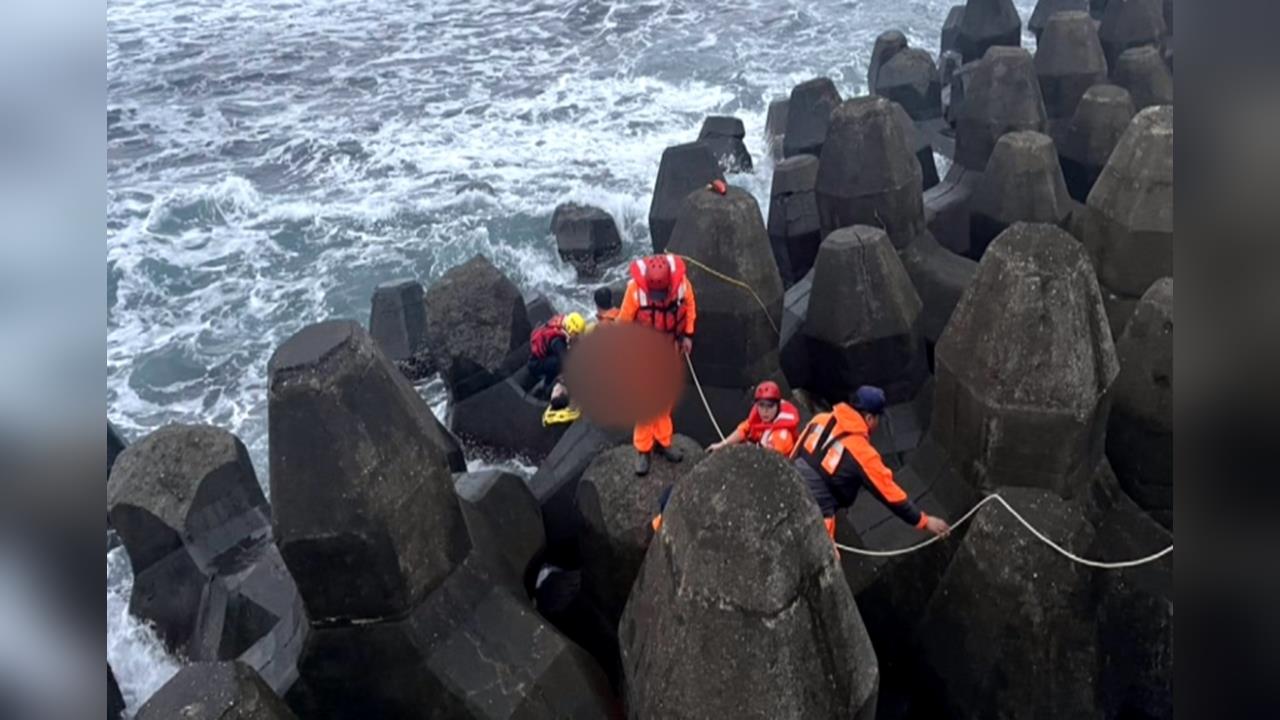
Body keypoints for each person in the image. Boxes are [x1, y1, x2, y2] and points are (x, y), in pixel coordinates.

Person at [791, 385, 951, 546]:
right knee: (821, 556)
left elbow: (793, 455)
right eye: (877, 418)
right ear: (869, 418)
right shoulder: (863, 453)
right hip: (817, 510)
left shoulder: (820, 419)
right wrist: (924, 521)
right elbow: (890, 495)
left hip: (791, 487)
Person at [616, 253, 697, 475]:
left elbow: (690, 307)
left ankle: (663, 440)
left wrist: (688, 335)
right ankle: (643, 449)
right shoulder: (635, 291)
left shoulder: (682, 285)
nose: (659, 299)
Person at [706, 381, 800, 456]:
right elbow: (743, 429)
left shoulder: (782, 436)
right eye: (761, 405)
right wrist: (723, 444)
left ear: (778, 406)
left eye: (770, 406)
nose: (765, 411)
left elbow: (770, 461)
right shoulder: (758, 419)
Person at [528, 311, 586, 402]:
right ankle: (546, 386)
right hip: (536, 365)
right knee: (559, 363)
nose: (577, 337)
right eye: (577, 334)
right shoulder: (557, 341)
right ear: (571, 330)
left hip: (544, 356)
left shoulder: (560, 325)